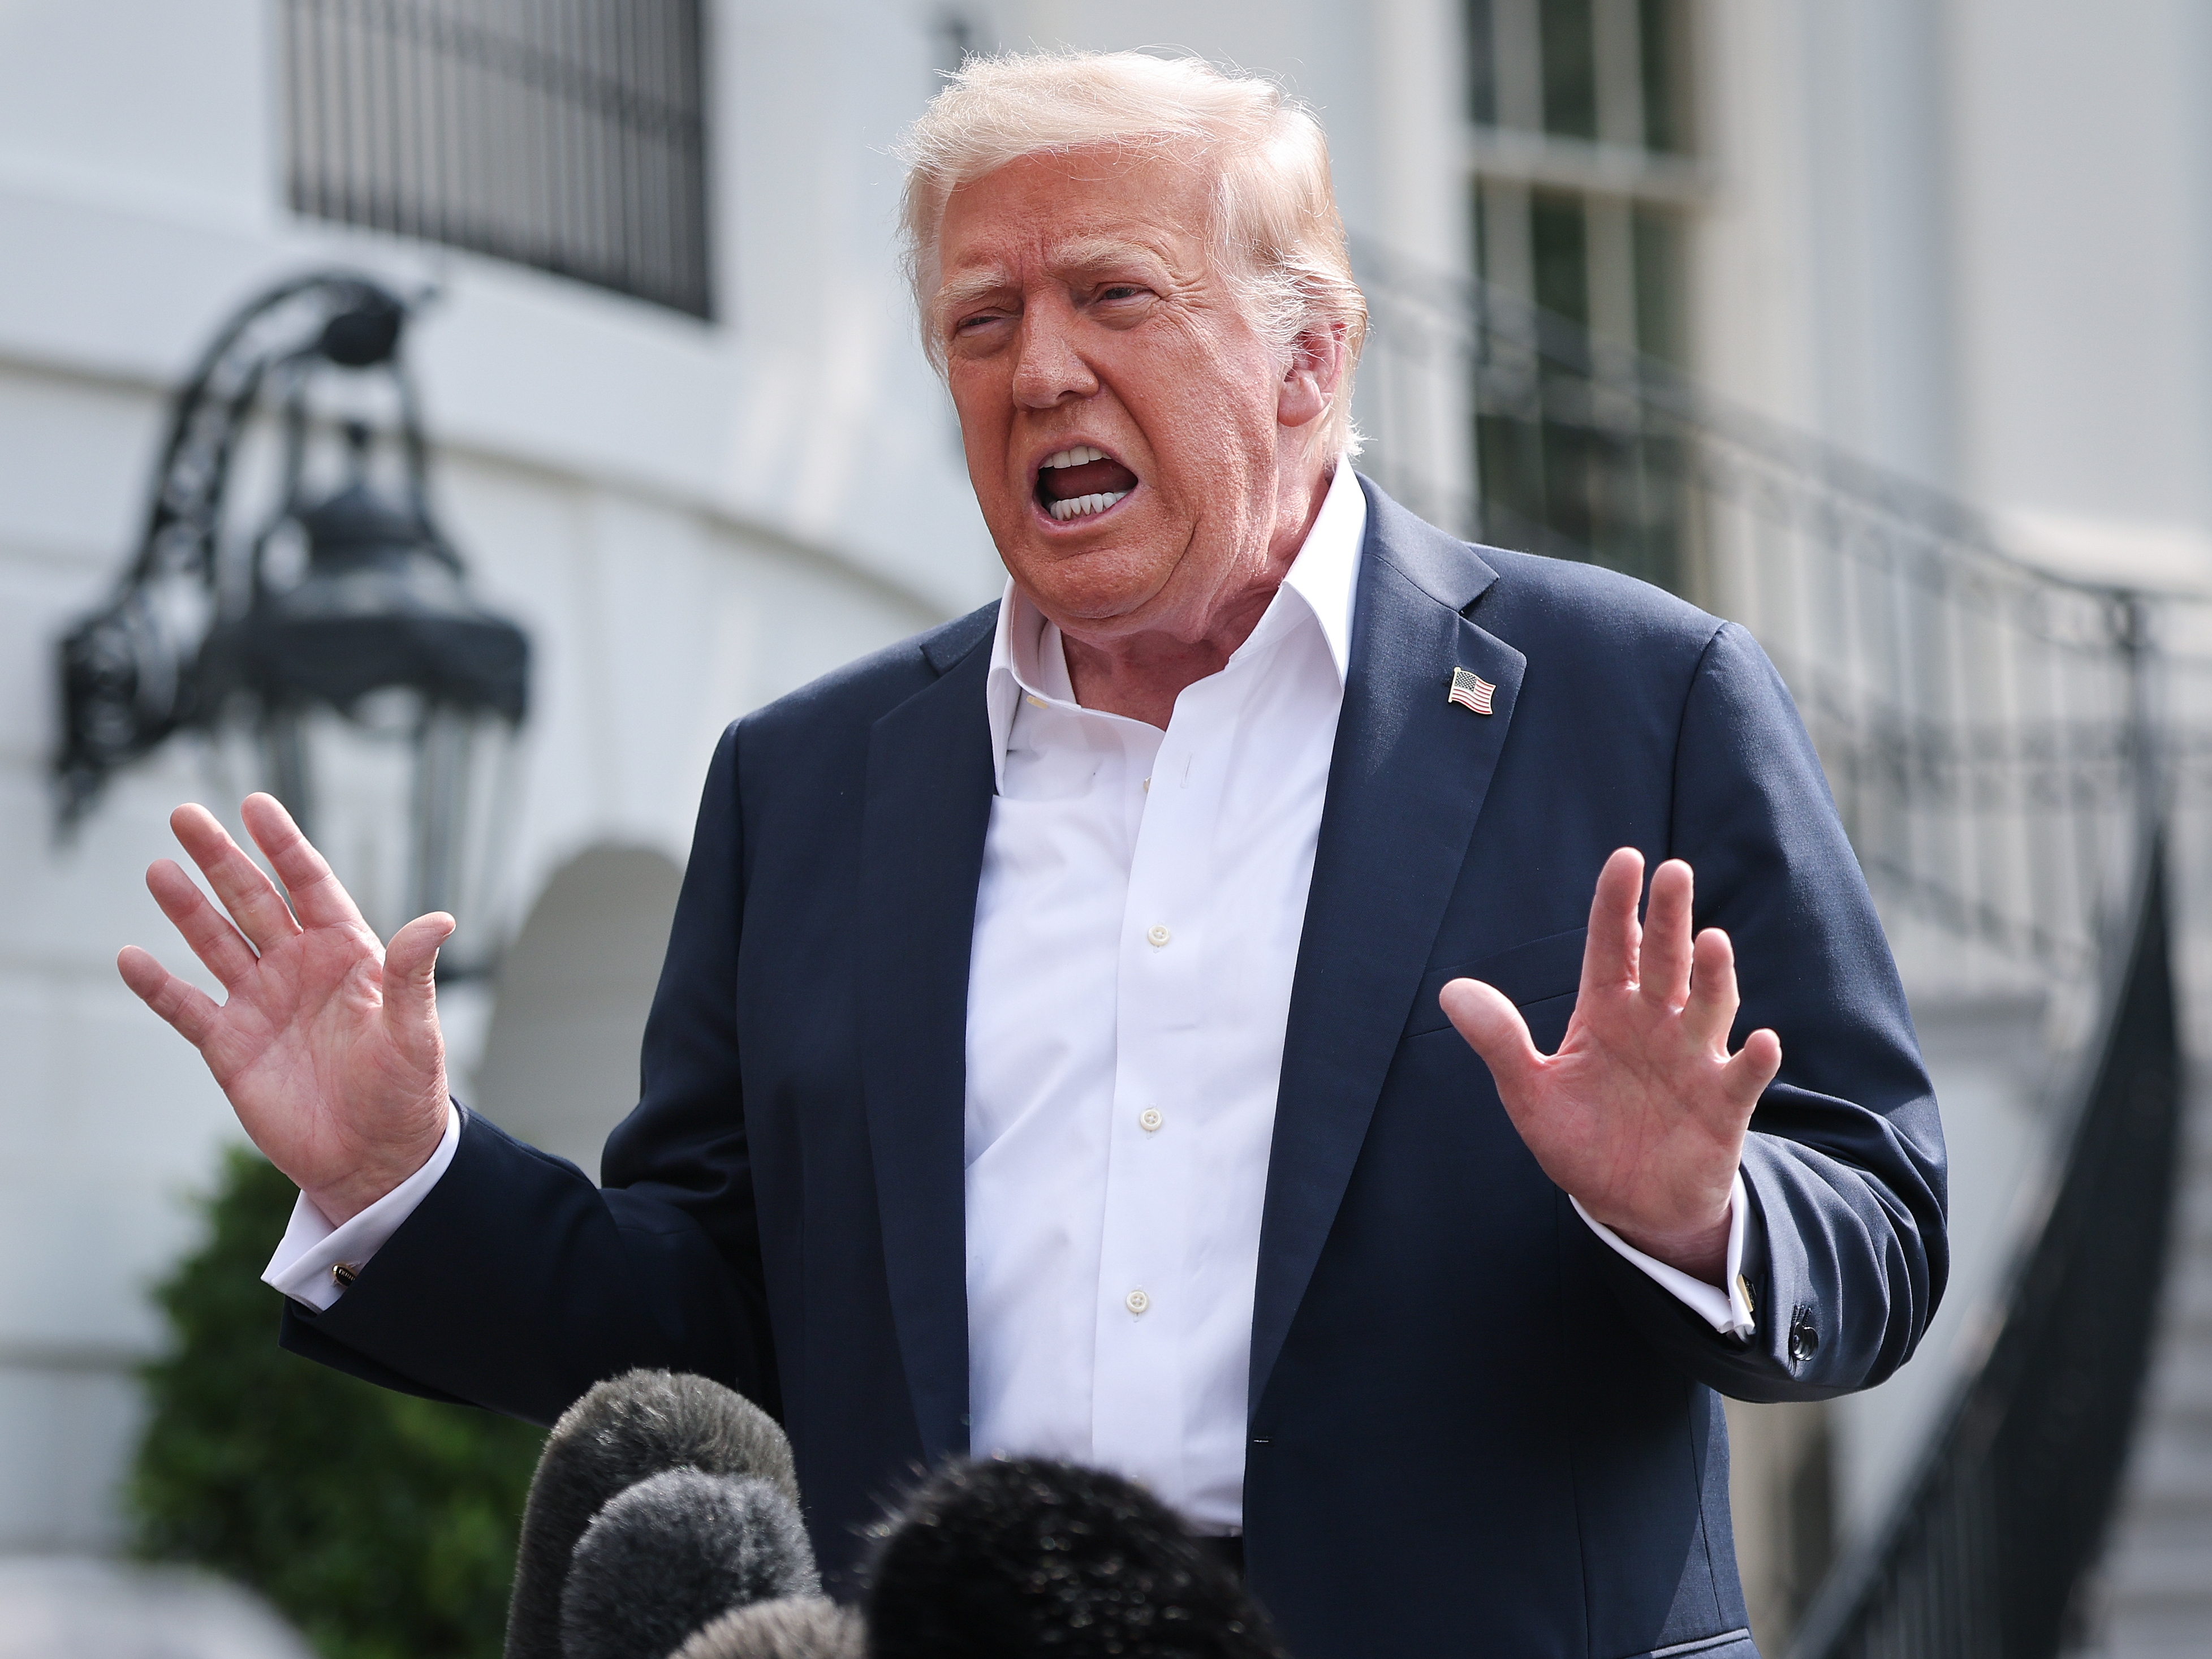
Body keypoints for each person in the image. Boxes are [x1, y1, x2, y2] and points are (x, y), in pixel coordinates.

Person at [119, 52, 1946, 1658]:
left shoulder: (1641, 703)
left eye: (1112, 295)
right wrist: (402, 1181)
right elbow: (722, 1321)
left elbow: (1880, 1219)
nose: (1041, 371)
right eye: (980, 325)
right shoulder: (809, 781)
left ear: (1310, 355)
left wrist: (1697, 1213)